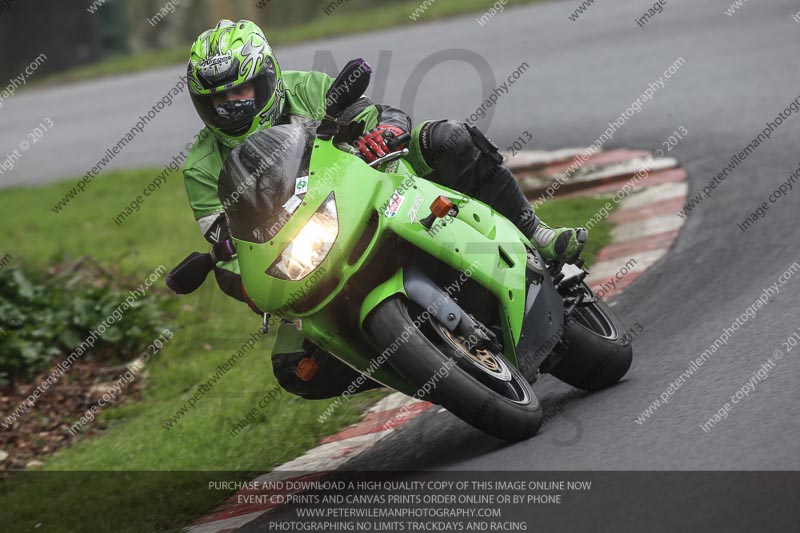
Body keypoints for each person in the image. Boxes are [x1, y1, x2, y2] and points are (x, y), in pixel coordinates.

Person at [183, 19, 587, 399]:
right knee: (296, 368)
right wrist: (246, 283)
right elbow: (227, 248)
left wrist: (386, 131)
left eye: (241, 92)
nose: (232, 106)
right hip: (304, 256)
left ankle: (538, 235)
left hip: (376, 191)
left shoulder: (306, 88)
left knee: (449, 139)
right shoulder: (201, 166)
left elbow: (377, 114)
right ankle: (417, 365)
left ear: (267, 77)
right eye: (219, 99)